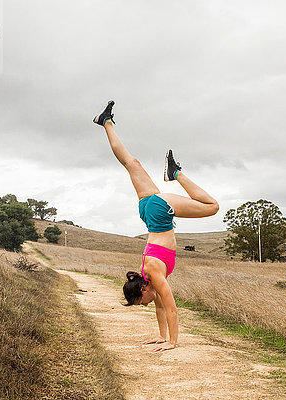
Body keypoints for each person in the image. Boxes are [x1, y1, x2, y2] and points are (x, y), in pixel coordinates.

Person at [93, 100, 219, 352]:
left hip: (159, 213)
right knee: (131, 163)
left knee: (212, 206)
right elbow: (162, 305)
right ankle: (105, 121)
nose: (146, 304)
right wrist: (163, 337)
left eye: (142, 302)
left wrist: (173, 343)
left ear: (143, 288)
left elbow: (170, 307)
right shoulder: (150, 278)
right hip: (149, 212)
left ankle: (176, 175)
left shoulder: (153, 272)